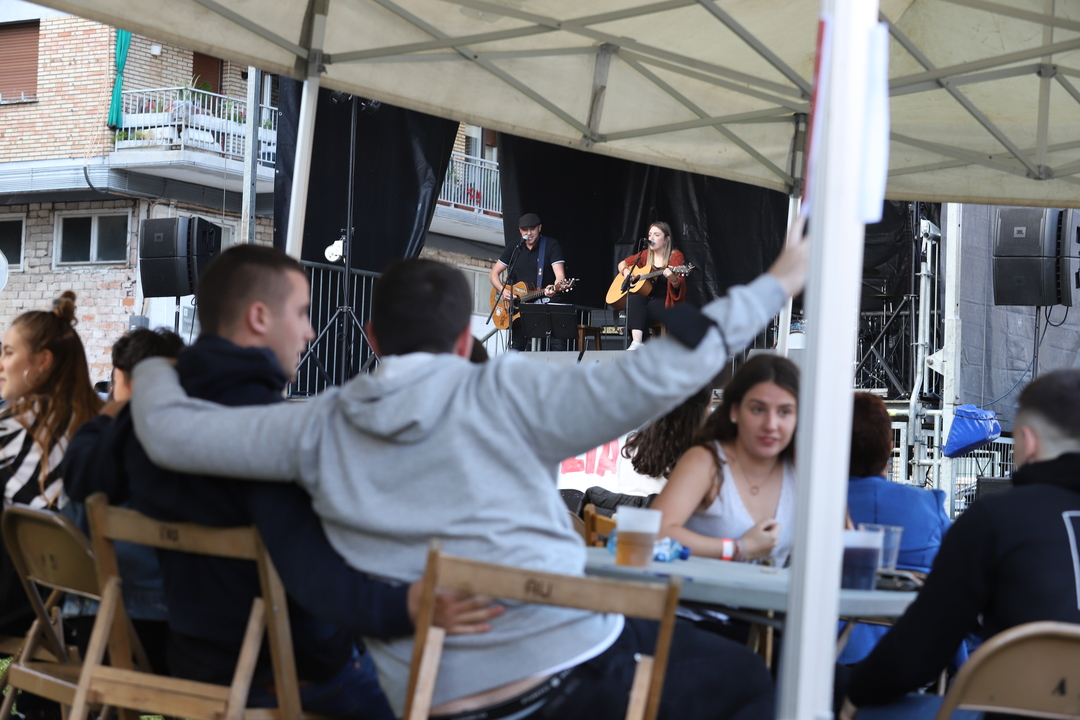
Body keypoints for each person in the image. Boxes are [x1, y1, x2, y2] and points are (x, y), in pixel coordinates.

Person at [128, 219, 809, 720]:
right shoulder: (512, 391)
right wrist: (779, 280)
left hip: (429, 698)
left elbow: (169, 433)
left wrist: (152, 361)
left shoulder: (314, 427)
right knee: (753, 679)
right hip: (571, 676)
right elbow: (662, 371)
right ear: (464, 340)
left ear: (373, 338)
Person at [67, 245, 498, 720]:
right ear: (258, 317)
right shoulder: (268, 434)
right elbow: (317, 580)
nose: (309, 331)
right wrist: (409, 606)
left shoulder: (147, 417)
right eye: (301, 312)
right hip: (287, 679)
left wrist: (125, 401)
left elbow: (81, 476)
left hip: (191, 665)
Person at [840, 369, 1080, 720]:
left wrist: (856, 695)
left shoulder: (994, 520)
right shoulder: (934, 508)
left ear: (1028, 442)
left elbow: (920, 652)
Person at [0, 291, 102, 719]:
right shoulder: (95, 426)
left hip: (22, 595)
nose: (0, 363)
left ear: (42, 362)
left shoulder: (17, 424)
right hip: (75, 600)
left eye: (8, 352)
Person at [61, 327, 185, 673]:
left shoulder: (90, 442)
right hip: (182, 629)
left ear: (120, 378)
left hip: (97, 623)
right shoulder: (191, 441)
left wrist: (111, 410)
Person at [838, 392, 955, 665]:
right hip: (915, 660)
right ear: (890, 446)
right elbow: (959, 570)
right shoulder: (928, 504)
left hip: (826, 655)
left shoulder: (813, 505)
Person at [650, 355, 798, 565]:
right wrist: (738, 549)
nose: (771, 424)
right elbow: (654, 533)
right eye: (758, 409)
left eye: (784, 412)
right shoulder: (706, 461)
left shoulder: (801, 469)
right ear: (734, 410)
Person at [488, 212, 568, 351]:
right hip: (522, 305)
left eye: (532, 229)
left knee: (558, 346)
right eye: (525, 230)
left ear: (539, 228)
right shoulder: (514, 247)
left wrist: (555, 288)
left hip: (547, 300)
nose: (529, 233)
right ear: (520, 230)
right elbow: (493, 274)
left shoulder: (551, 245)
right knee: (516, 347)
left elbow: (560, 276)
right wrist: (503, 291)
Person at [621, 382, 714, 480]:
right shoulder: (698, 459)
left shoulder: (633, 446)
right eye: (709, 406)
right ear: (693, 416)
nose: (711, 413)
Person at [617, 221, 687, 350]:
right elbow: (622, 263)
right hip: (647, 300)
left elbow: (679, 286)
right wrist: (627, 273)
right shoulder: (645, 255)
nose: (651, 238)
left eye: (656, 235)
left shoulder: (675, 256)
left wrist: (672, 277)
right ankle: (637, 343)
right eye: (650, 235)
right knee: (632, 301)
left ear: (666, 239)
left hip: (665, 302)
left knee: (635, 311)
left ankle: (645, 347)